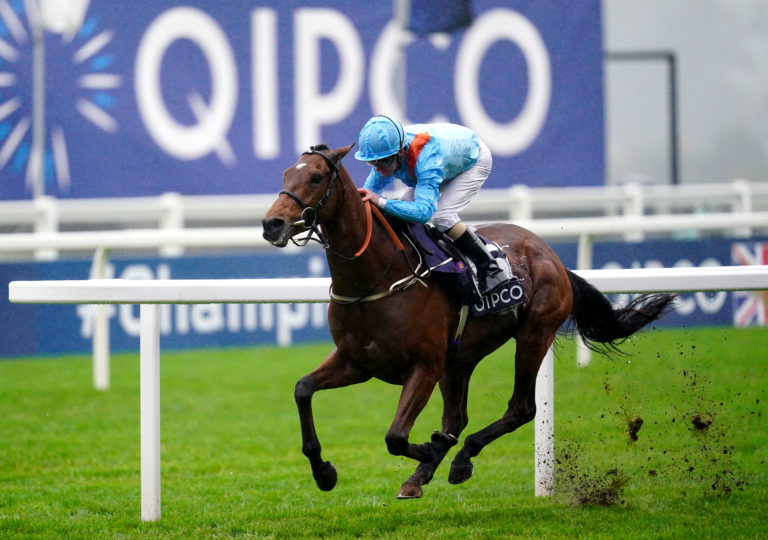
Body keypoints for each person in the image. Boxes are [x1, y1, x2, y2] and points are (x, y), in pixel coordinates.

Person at [354, 115, 506, 296]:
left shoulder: (426, 158)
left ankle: (491, 269)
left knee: (442, 217)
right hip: (446, 158)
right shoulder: (388, 153)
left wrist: (380, 201)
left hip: (472, 161)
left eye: (384, 162)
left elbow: (424, 213)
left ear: (401, 152)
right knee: (402, 207)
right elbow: (367, 198)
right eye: (372, 163)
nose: (378, 169)